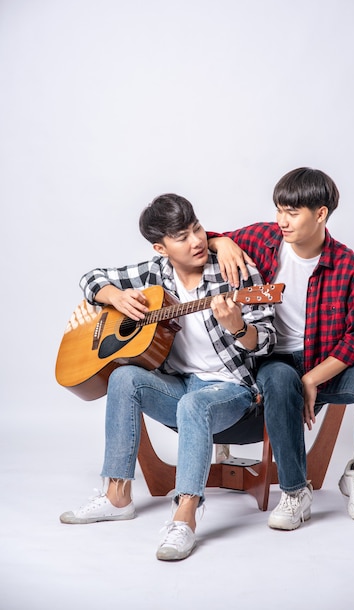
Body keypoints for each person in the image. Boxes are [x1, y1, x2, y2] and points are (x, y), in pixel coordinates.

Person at [59, 193, 276, 561]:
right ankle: (117, 497)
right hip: (179, 385)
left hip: (229, 391)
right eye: (181, 237)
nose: (195, 242)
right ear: (161, 247)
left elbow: (267, 341)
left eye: (197, 229)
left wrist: (238, 327)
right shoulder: (155, 274)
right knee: (124, 378)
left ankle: (185, 518)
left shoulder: (234, 271)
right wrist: (115, 296)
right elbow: (90, 278)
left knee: (194, 403)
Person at [208, 167, 354, 529]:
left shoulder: (347, 265)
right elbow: (207, 241)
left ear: (320, 213)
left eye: (292, 212)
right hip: (274, 358)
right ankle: (295, 491)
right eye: (279, 209)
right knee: (279, 382)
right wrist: (223, 242)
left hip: (325, 364)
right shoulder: (262, 239)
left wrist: (312, 379)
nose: (282, 221)